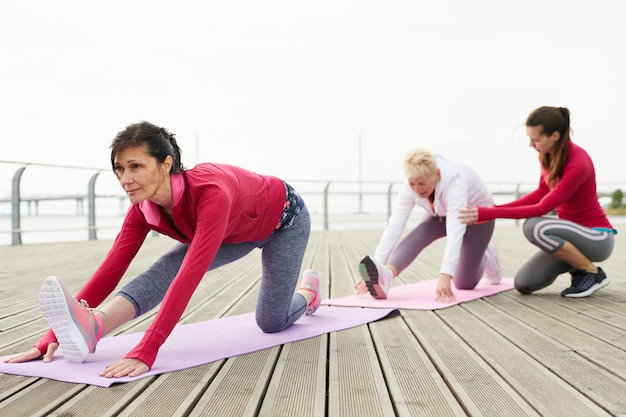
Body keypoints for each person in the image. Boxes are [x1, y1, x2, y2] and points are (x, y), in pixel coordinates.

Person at [4, 121, 322, 378]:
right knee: (165, 268)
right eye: (119, 169)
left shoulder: (211, 193)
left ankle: (309, 295)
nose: (125, 179)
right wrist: (54, 335)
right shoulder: (142, 209)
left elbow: (189, 277)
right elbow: (110, 271)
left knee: (270, 322)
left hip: (284, 223)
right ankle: (93, 326)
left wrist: (149, 347)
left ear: (166, 163)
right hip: (235, 232)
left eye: (135, 166)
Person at [459, 106, 616, 297]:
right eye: (529, 139)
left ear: (555, 136)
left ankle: (591, 272)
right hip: (570, 237)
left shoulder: (578, 163)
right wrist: (495, 208)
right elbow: (541, 192)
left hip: (596, 237)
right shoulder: (547, 156)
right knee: (524, 283)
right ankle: (577, 267)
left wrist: (489, 213)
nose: (531, 144)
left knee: (534, 226)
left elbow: (543, 207)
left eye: (536, 139)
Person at [353, 149, 502, 304]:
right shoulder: (411, 185)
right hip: (440, 215)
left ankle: (486, 254)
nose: (417, 189)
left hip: (477, 219)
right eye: (412, 184)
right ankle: (386, 276)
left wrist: (445, 275)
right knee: (420, 233)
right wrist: (377, 266)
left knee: (464, 284)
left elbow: (455, 230)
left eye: (422, 184)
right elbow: (395, 225)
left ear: (437, 174)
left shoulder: (455, 181)